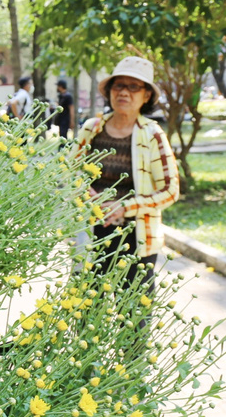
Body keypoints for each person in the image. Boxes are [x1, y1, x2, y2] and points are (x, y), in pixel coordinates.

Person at [76, 56, 179, 291]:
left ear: (146, 96)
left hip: (137, 238)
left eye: (134, 87)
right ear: (110, 91)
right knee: (88, 314)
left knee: (133, 319)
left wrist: (124, 207)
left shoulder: (152, 135)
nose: (124, 92)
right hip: (92, 233)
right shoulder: (91, 129)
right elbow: (71, 172)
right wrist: (86, 193)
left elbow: (170, 192)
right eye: (119, 85)